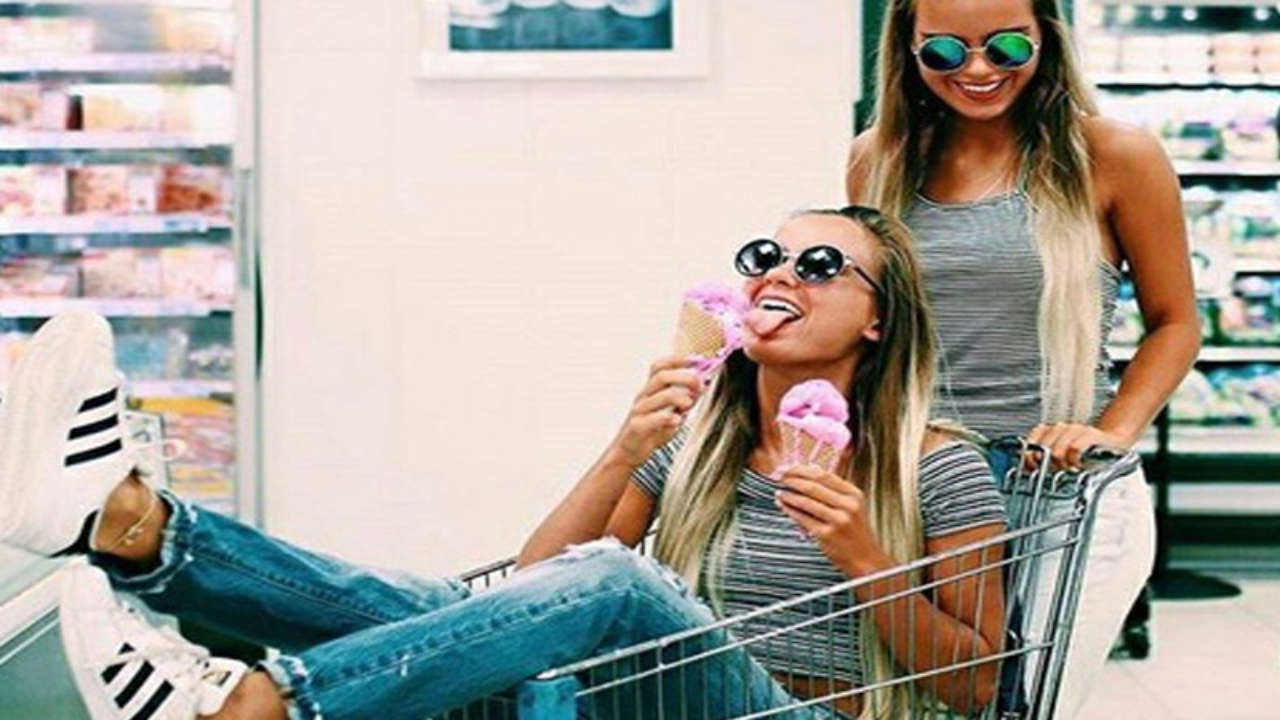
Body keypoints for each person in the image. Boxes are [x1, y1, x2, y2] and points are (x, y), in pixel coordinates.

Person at [3, 207, 1007, 720]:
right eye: (764, 257)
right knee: (466, 609)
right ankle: (134, 527)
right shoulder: (702, 442)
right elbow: (538, 589)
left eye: (820, 265)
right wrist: (627, 446)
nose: (781, 274)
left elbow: (980, 687)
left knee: (620, 585)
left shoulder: (936, 467)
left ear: (877, 319)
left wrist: (863, 555)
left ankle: (260, 703)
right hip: (661, 703)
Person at [845, 1, 1200, 716]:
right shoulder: (878, 159)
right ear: (908, 50)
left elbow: (1175, 323)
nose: (978, 69)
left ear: (1047, 38)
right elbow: (876, 325)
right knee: (919, 703)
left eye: (1006, 46)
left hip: (1057, 490)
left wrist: (1110, 431)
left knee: (1023, 704)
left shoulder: (1115, 155)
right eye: (945, 52)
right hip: (923, 487)